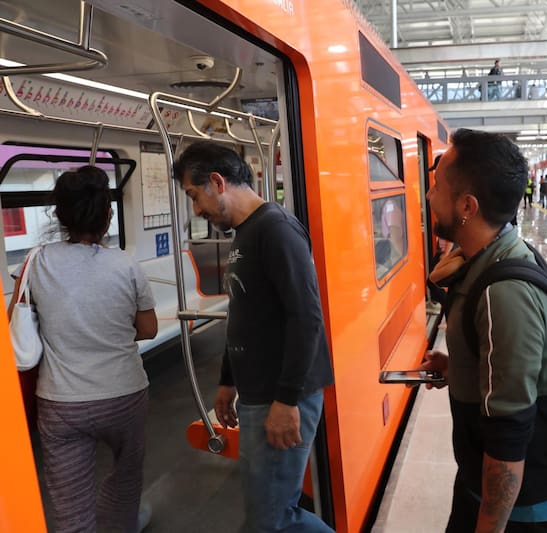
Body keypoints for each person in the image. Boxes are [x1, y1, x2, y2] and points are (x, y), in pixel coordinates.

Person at [172, 141, 334, 533]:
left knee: (271, 518)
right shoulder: (246, 232)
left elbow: (306, 316)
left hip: (281, 394)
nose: (196, 209)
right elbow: (243, 313)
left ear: (216, 182)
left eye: (195, 196)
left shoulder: (275, 229)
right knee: (268, 511)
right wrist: (229, 380)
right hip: (258, 392)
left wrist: (287, 399)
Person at [422, 128, 547, 533]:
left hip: (523, 509)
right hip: (482, 484)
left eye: (436, 186)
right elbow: (514, 371)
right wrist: (460, 369)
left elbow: (510, 432)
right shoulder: (493, 259)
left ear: (467, 205)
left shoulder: (503, 292)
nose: (427, 196)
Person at [7, 166, 157, 533]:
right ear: (107, 215)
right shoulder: (126, 264)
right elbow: (149, 328)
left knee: (69, 499)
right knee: (126, 478)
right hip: (124, 394)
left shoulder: (36, 263)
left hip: (62, 403)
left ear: (58, 215)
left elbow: (15, 322)